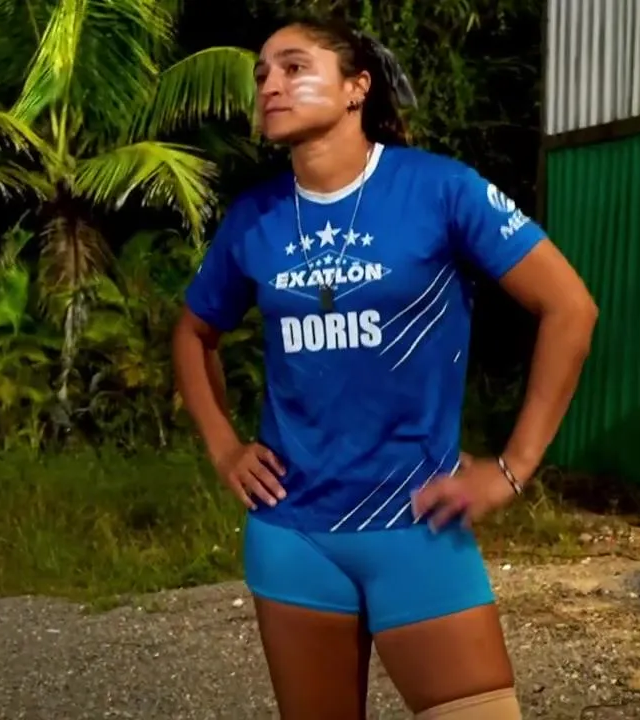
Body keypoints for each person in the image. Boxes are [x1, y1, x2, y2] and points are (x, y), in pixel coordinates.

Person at [171, 16, 598, 720]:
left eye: (295, 67)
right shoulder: (256, 218)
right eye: (262, 74)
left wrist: (514, 466)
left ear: (356, 87)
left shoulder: (439, 189)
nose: (271, 85)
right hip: (294, 535)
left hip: (416, 525)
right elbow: (193, 334)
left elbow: (570, 309)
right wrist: (223, 448)